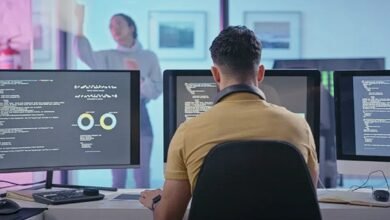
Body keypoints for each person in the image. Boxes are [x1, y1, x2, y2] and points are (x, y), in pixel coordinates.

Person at [139, 26, 319, 219]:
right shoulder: (299, 127)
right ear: (260, 73)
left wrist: (157, 202)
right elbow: (307, 196)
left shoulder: (187, 132)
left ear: (215, 75)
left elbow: (168, 217)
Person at [74, 5, 162, 188]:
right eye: (111, 26)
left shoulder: (148, 57)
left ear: (131, 27)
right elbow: (83, 53)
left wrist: (139, 78)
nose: (114, 28)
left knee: (142, 174)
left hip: (140, 116)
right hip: (113, 117)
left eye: (119, 23)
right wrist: (79, 23)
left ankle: (144, 214)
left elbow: (155, 92)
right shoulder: (107, 56)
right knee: (118, 177)